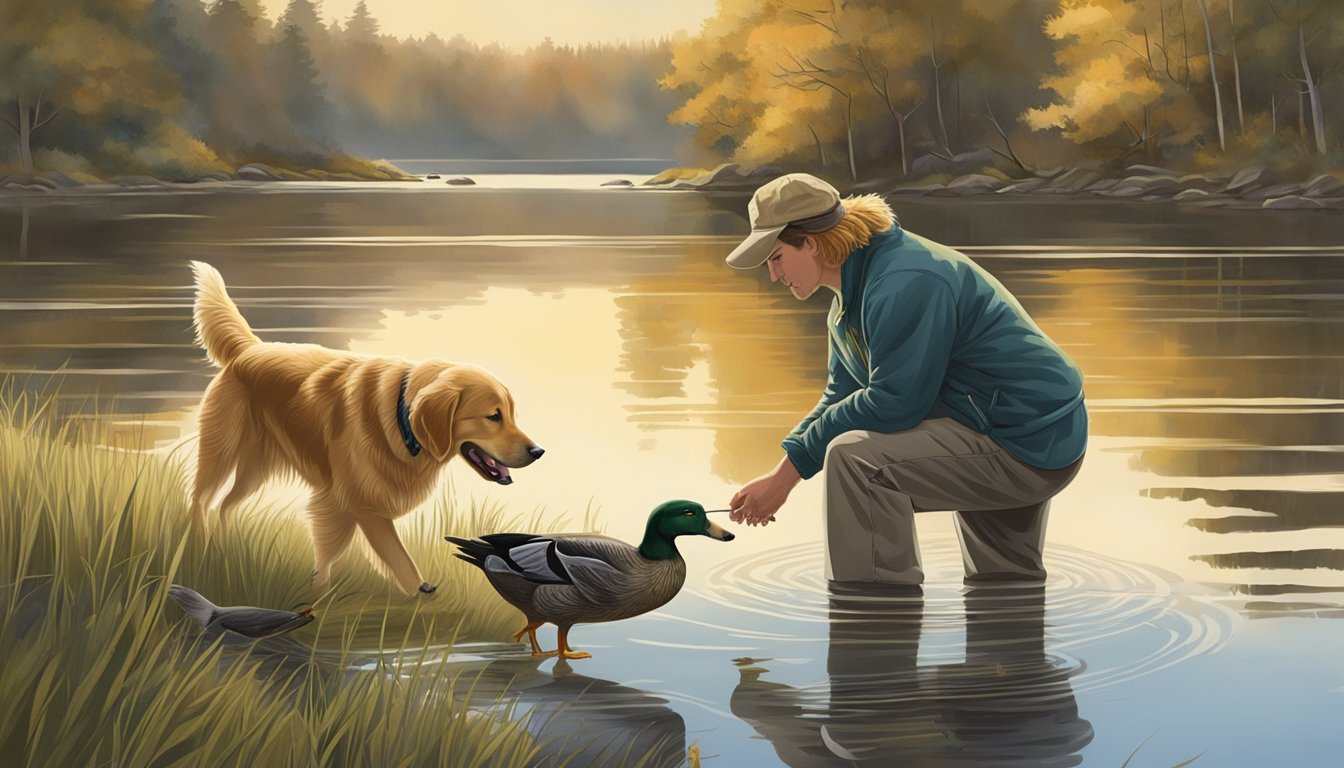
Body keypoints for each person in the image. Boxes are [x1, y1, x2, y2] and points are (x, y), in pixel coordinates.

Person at [725, 173, 1087, 588]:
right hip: (1014, 423)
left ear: (810, 242)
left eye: (775, 257)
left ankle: (875, 612)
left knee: (855, 460)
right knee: (1004, 582)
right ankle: (1012, 640)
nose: (773, 275)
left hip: (1022, 440)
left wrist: (788, 478)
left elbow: (895, 402)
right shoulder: (850, 300)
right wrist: (781, 473)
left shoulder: (904, 281)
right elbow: (841, 394)